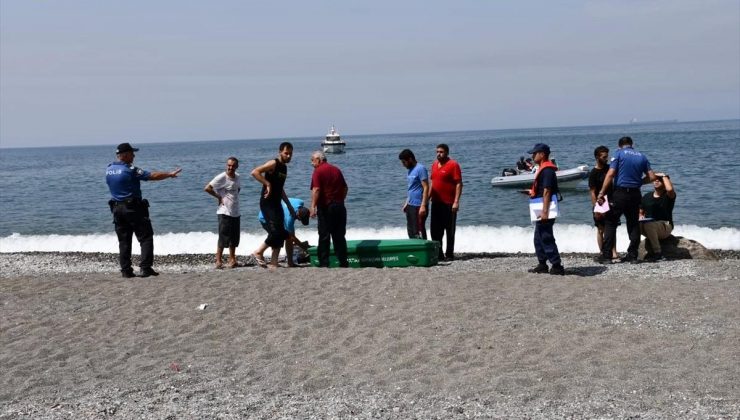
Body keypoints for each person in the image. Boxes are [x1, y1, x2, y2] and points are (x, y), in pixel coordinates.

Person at [105, 142, 181, 278]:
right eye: (132, 153)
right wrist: (169, 174)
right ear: (125, 155)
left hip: (116, 208)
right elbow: (151, 176)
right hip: (132, 208)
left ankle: (126, 270)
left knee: (124, 240)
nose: (134, 156)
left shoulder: (109, 169)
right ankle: (145, 268)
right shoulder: (130, 169)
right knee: (145, 237)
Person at [596, 136, 657, 264]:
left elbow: (611, 173)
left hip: (620, 193)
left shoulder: (618, 154)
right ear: (631, 145)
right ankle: (633, 255)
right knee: (633, 223)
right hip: (635, 194)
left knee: (611, 222)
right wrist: (639, 181)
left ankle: (607, 255)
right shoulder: (642, 156)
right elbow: (652, 176)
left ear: (620, 146)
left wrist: (601, 192)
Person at [251, 142, 297, 269]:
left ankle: (274, 262)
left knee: (281, 232)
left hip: (277, 203)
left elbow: (281, 189)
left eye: (290, 154)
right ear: (280, 152)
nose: (288, 156)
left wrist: (289, 205)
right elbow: (255, 172)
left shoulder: (284, 168)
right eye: (286, 153)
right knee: (276, 232)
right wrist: (267, 183)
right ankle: (258, 252)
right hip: (267, 203)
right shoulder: (273, 163)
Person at [526, 143, 565, 275]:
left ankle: (556, 265)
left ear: (542, 154)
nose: (532, 156)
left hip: (545, 208)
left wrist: (544, 212)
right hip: (541, 206)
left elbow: (547, 191)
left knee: (546, 236)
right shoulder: (542, 169)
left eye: (534, 153)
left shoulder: (547, 170)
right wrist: (531, 192)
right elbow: (543, 190)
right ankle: (542, 263)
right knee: (538, 237)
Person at [309, 151, 349, 267]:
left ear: (319, 160)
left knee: (324, 235)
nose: (312, 163)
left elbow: (316, 189)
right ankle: (343, 262)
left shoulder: (318, 171)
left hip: (326, 207)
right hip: (339, 206)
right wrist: (341, 200)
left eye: (312, 160)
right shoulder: (336, 169)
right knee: (339, 236)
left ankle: (324, 263)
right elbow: (345, 188)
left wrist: (313, 207)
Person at [204, 157, 241, 269]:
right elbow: (207, 188)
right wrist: (219, 197)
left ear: (237, 166)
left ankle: (232, 259)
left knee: (234, 237)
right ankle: (218, 261)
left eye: (233, 165)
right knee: (223, 236)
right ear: (226, 165)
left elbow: (238, 189)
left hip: (235, 211)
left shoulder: (238, 177)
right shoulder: (221, 177)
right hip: (224, 211)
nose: (231, 167)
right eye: (229, 165)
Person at [429, 143, 463, 261]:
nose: (439, 154)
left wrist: (456, 202)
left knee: (449, 230)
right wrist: (427, 199)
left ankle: (449, 254)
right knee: (435, 231)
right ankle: (439, 254)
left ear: (447, 153)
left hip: (449, 203)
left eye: (441, 152)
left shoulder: (453, 165)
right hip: (436, 202)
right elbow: (432, 183)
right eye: (437, 152)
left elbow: (459, 183)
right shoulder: (434, 165)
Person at [259, 197, 311, 267]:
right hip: (265, 218)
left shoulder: (300, 202)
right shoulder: (289, 219)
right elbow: (292, 237)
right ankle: (263, 255)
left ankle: (289, 262)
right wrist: (302, 246)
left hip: (275, 213)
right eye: (299, 219)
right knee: (278, 238)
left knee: (285, 238)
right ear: (298, 214)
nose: (298, 220)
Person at [588, 146, 618, 260]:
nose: (607, 158)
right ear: (597, 157)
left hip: (611, 201)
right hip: (600, 202)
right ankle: (602, 251)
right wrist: (596, 207)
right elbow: (592, 192)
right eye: (604, 157)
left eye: (607, 156)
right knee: (601, 229)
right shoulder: (594, 173)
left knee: (612, 228)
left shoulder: (609, 169)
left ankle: (614, 252)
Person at [640, 173, 676, 261]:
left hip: (665, 225)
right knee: (633, 223)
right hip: (648, 225)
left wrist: (664, 176)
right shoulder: (647, 196)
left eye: (659, 179)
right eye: (655, 179)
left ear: (664, 182)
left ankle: (658, 253)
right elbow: (640, 212)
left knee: (649, 224)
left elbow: (670, 189)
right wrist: (640, 216)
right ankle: (633, 251)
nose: (656, 180)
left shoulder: (668, 196)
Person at [398, 149, 429, 239]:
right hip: (411, 205)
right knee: (410, 230)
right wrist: (407, 203)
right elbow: (411, 188)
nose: (403, 164)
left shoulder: (420, 168)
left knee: (418, 230)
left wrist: (423, 205)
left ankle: (424, 250)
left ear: (410, 159)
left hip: (419, 205)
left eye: (404, 162)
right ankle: (414, 251)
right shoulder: (410, 170)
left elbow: (426, 187)